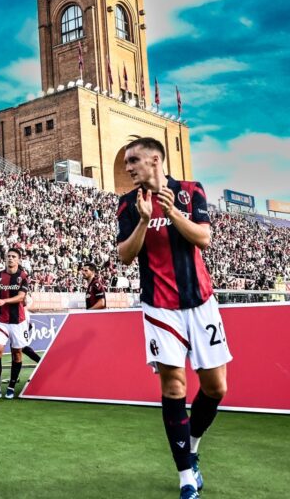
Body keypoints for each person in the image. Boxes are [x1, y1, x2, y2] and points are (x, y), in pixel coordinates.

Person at [116, 137, 232, 499]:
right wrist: (144, 222)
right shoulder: (128, 204)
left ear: (155, 159)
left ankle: (192, 447)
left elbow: (205, 239)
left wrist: (173, 213)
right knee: (174, 387)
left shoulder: (190, 191)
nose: (128, 167)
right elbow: (124, 256)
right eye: (126, 162)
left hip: (200, 303)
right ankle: (185, 476)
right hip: (159, 307)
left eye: (134, 160)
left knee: (216, 388)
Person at [0, 247, 29, 401]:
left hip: (18, 321)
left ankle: (11, 387)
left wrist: (4, 301)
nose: (10, 259)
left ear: (18, 260)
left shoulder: (23, 276)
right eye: (8, 256)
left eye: (13, 256)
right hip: (1, 321)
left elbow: (20, 297)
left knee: (17, 353)